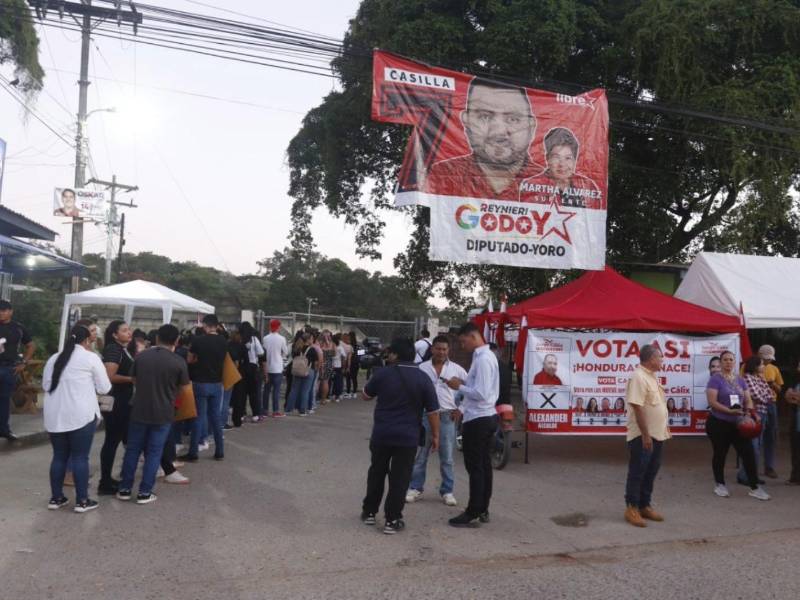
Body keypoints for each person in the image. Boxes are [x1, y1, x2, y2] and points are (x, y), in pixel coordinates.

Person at [360, 338, 440, 534]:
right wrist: (436, 435)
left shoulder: (383, 374)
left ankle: (369, 512)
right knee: (400, 478)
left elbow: (365, 395)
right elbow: (432, 411)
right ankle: (392, 519)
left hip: (382, 434)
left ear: (394, 354)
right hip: (408, 437)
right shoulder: (423, 378)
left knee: (377, 472)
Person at [423, 79, 542, 200]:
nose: (499, 132)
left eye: (513, 119)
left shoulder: (551, 183)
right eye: (484, 117)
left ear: (531, 126)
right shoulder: (440, 176)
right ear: (466, 121)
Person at [117, 324, 192, 504]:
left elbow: (134, 379)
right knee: (154, 452)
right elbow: (184, 388)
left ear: (157, 338)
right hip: (163, 412)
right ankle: (145, 492)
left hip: (139, 409)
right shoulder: (178, 362)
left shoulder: (141, 357)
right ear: (176, 341)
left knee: (133, 450)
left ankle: (125, 489)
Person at [42, 324, 111, 512]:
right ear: (87, 340)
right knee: (80, 457)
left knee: (59, 457)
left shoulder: (54, 359)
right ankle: (82, 501)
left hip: (55, 415)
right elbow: (105, 388)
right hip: (81, 415)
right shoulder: (91, 358)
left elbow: (46, 385)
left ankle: (56, 498)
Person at [446, 322, 499, 528]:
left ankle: (474, 510)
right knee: (483, 466)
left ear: (473, 336)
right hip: (480, 416)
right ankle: (482, 507)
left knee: (476, 466)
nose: (462, 346)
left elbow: (482, 393)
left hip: (480, 418)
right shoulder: (482, 357)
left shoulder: (484, 359)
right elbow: (477, 389)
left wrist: (459, 386)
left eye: (462, 341)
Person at [407, 335, 468, 507]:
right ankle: (415, 487)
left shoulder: (457, 369)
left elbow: (472, 389)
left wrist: (461, 408)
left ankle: (447, 491)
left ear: (449, 351)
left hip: (447, 416)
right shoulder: (421, 368)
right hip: (425, 416)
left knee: (447, 457)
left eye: (444, 349)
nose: (441, 352)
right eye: (438, 348)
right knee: (421, 455)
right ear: (432, 349)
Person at [705, 350, 770, 501]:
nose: (728, 362)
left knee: (748, 453)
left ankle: (755, 487)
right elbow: (712, 402)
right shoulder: (715, 379)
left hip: (738, 423)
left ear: (735, 363)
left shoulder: (740, 380)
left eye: (731, 360)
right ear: (721, 363)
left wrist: (750, 413)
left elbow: (747, 399)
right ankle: (720, 484)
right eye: (725, 360)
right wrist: (728, 410)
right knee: (720, 453)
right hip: (718, 423)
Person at [623, 344, 670, 528]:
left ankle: (644, 505)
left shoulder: (652, 377)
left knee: (651, 471)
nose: (662, 360)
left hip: (657, 435)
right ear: (651, 358)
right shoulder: (638, 376)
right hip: (643, 436)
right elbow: (637, 406)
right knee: (638, 471)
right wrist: (645, 435)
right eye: (660, 357)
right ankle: (631, 508)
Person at [181, 314, 227, 462]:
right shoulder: (223, 340)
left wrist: (197, 360)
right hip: (217, 383)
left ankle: (193, 452)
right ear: (217, 325)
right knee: (215, 418)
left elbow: (189, 359)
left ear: (205, 325)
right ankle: (219, 451)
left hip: (200, 382)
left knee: (198, 417)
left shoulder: (198, 340)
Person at [518, 127, 601, 208]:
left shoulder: (588, 186)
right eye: (556, 157)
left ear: (575, 161)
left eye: (568, 158)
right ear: (547, 159)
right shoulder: (531, 186)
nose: (562, 164)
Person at [97, 320, 134, 495]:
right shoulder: (113, 349)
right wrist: (132, 379)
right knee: (112, 441)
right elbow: (109, 376)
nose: (129, 332)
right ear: (114, 334)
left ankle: (113, 477)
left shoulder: (122, 349)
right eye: (125, 330)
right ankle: (105, 481)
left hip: (123, 400)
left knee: (121, 439)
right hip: (116, 401)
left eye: (129, 329)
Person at [0, 299, 35, 441]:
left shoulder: (18, 328)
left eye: (4, 311)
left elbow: (31, 345)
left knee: (5, 399)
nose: (1, 313)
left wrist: (24, 362)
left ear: (10, 312)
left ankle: (4, 429)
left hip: (10, 367)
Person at [737, 355, 773, 486]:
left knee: (757, 445)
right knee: (753, 446)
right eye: (762, 364)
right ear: (755, 366)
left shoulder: (760, 378)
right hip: (753, 413)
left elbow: (770, 395)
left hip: (762, 413)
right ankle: (745, 475)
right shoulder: (747, 378)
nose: (764, 366)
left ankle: (750, 475)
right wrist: (764, 396)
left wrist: (764, 396)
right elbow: (757, 396)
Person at [757, 344, 782, 479]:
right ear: (759, 355)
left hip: (771, 404)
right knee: (756, 437)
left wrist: (772, 384)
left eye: (770, 359)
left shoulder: (774, 369)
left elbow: (780, 390)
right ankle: (751, 467)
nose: (768, 361)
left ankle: (769, 466)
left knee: (771, 435)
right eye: (766, 358)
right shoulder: (748, 366)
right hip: (757, 405)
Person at [286, 333, 318, 415]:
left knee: (294, 390)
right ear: (308, 340)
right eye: (312, 338)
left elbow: (293, 357)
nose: (313, 340)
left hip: (296, 371)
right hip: (308, 370)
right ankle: (302, 410)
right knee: (305, 391)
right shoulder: (312, 349)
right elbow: (316, 362)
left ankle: (289, 409)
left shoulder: (297, 348)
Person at [262, 319, 288, 418]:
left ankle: (265, 410)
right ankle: (275, 411)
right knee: (276, 391)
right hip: (277, 367)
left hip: (267, 368)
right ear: (278, 327)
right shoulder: (282, 339)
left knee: (266, 390)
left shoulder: (265, 338)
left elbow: (263, 353)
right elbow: (285, 352)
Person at [785, 358, 800, 485]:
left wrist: (795, 397)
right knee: (795, 449)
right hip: (796, 420)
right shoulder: (795, 380)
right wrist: (795, 398)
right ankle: (795, 476)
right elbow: (788, 396)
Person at [330, 334, 345, 402]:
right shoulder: (340, 347)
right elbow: (343, 356)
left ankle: (332, 394)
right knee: (338, 381)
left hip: (332, 365)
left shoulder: (331, 347)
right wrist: (343, 365)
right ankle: (337, 395)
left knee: (332, 380)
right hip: (338, 365)